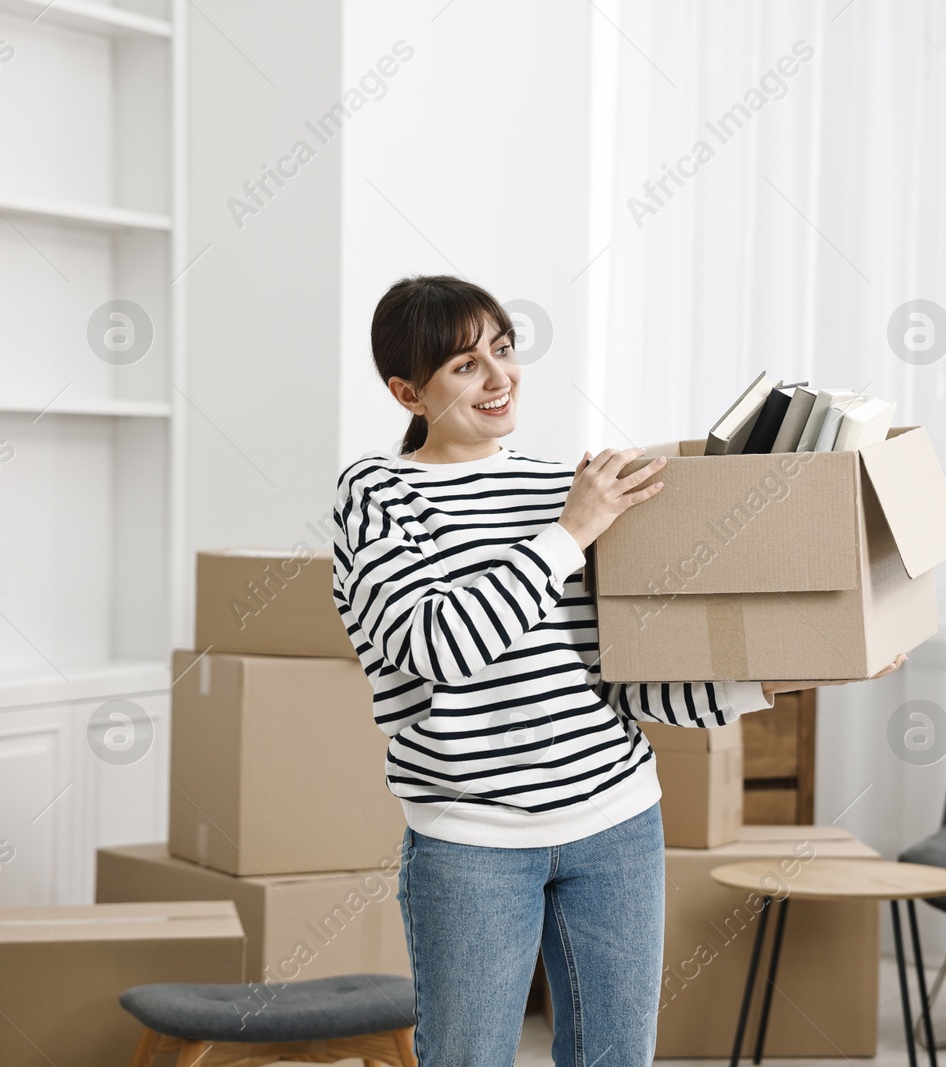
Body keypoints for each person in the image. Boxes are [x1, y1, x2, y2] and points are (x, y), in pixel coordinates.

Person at [332, 274, 905, 1067]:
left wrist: (784, 678)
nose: (499, 379)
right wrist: (571, 532)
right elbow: (438, 646)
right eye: (465, 366)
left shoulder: (565, 487)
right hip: (472, 842)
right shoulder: (380, 495)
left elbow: (628, 678)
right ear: (406, 391)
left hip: (617, 824)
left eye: (503, 350)